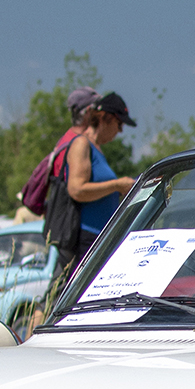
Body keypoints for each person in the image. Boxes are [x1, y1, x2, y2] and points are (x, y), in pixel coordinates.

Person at [58, 92, 137, 276]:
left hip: (99, 238)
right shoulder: (81, 144)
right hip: (85, 240)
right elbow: (76, 189)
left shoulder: (96, 150)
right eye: (119, 124)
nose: (120, 131)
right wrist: (117, 185)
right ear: (105, 118)